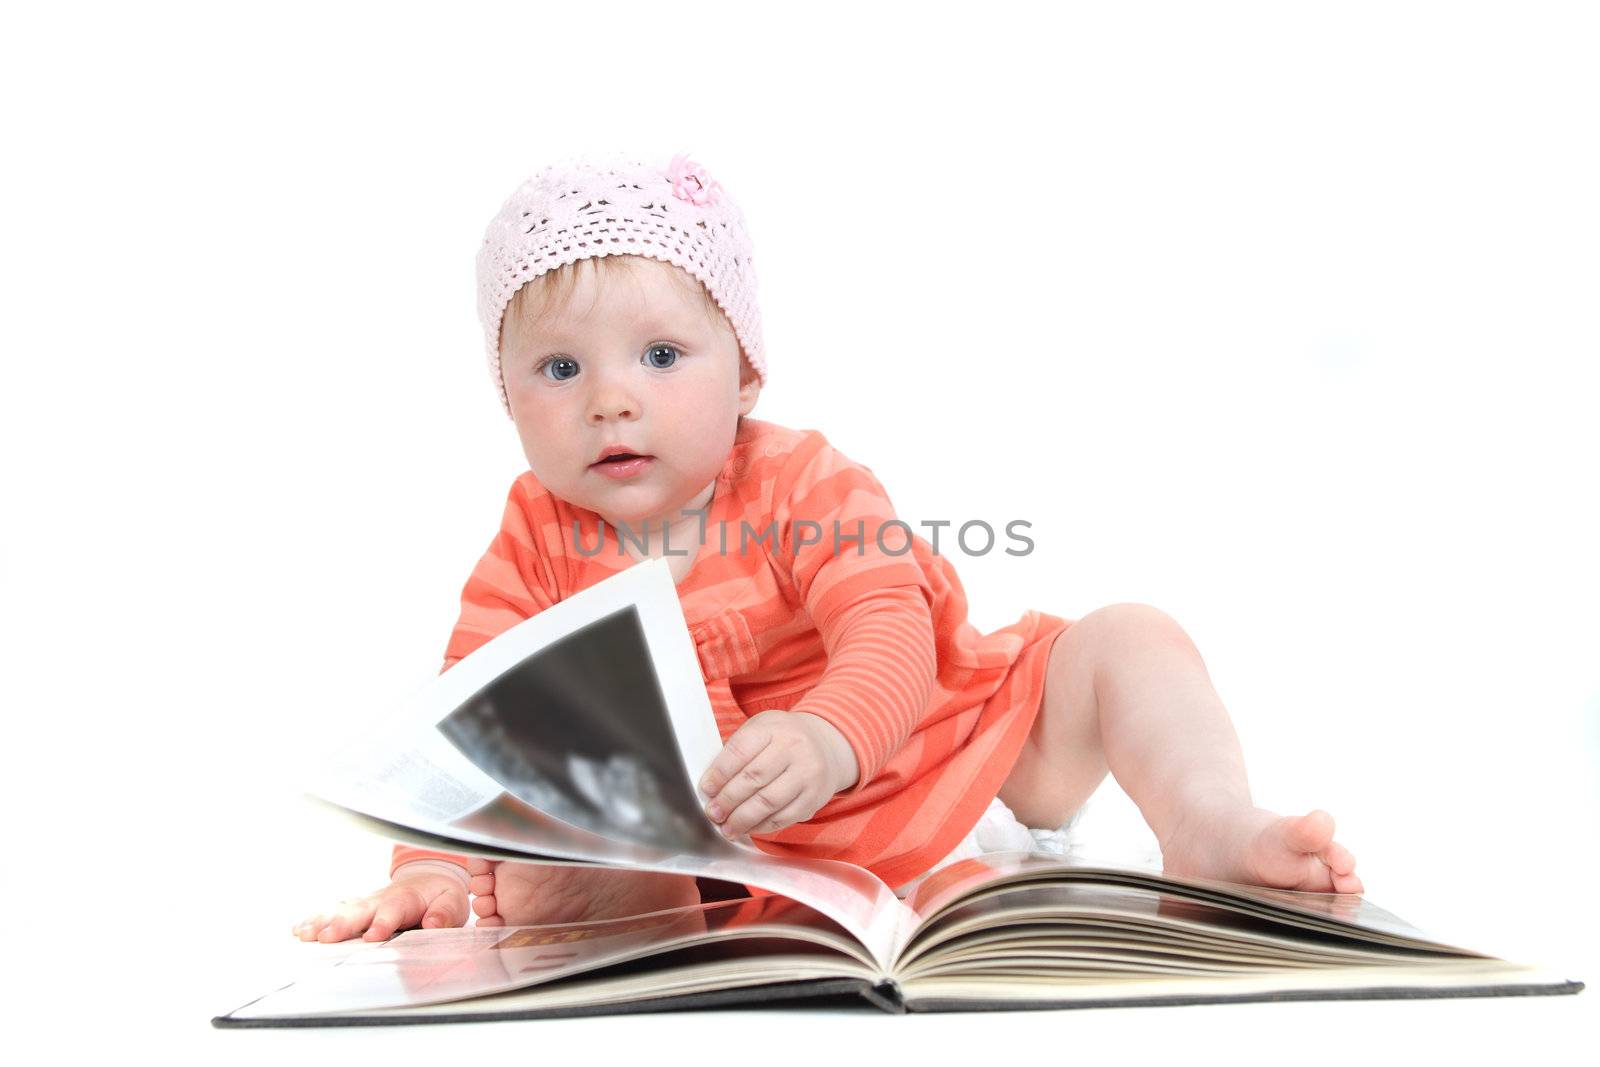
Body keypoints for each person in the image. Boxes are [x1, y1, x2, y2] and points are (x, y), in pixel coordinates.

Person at [294, 152, 1362, 945]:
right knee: (566, 802)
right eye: (558, 370)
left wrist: (825, 734)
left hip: (938, 738)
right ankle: (621, 897)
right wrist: (429, 867)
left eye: (661, 353)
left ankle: (1210, 820)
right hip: (732, 841)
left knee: (1127, 638)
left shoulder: (799, 479)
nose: (611, 398)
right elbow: (465, 733)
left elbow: (889, 625)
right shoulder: (531, 542)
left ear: (746, 372)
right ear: (507, 397)